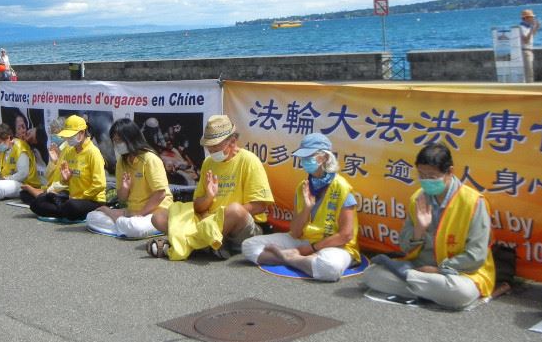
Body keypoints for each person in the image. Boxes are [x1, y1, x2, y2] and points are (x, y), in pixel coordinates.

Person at [362, 143, 495, 309]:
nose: (426, 181)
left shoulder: (474, 202)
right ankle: (428, 290)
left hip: (458, 274)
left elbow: (476, 256)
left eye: (432, 177)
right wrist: (419, 228)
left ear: (450, 172)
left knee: (461, 292)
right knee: (372, 275)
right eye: (421, 175)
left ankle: (420, 287)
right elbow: (404, 247)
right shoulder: (418, 198)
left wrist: (438, 270)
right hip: (419, 269)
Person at [149, 115, 273, 260]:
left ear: (232, 141)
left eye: (216, 146)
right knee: (159, 217)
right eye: (209, 146)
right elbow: (198, 207)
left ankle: (190, 244)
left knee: (235, 210)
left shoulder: (249, 160)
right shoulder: (209, 162)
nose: (211, 150)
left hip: (237, 227)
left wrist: (217, 219)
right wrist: (208, 196)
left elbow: (260, 205)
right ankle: (207, 244)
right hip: (207, 221)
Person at [241, 133, 359, 282]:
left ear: (324, 158)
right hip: (304, 240)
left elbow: (345, 235)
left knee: (329, 268)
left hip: (335, 246)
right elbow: (295, 232)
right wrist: (307, 208)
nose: (304, 161)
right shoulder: (303, 187)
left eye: (308, 156)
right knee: (249, 246)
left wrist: (311, 249)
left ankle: (291, 258)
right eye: (303, 157)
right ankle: (297, 259)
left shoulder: (342, 187)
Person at [86, 118, 172, 238]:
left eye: (120, 140)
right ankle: (121, 224)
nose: (117, 144)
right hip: (131, 212)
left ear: (131, 138)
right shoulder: (122, 161)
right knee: (92, 217)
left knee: (135, 227)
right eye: (115, 141)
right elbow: (122, 199)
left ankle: (118, 221)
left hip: (154, 212)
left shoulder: (150, 159)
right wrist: (125, 189)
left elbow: (160, 194)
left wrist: (140, 214)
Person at [28, 114, 106, 220]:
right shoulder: (70, 151)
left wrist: (80, 197)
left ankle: (63, 210)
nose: (68, 139)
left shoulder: (93, 153)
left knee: (71, 206)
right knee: (37, 203)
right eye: (67, 136)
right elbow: (64, 182)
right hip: (72, 198)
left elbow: (99, 185)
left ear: (82, 133)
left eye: (71, 136)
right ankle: (64, 211)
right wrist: (65, 179)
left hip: (92, 200)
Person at [19, 118, 70, 203]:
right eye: (52, 133)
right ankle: (43, 196)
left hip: (63, 190)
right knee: (24, 194)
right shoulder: (55, 148)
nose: (54, 136)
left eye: (56, 133)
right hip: (52, 188)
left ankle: (43, 196)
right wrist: (54, 162)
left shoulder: (70, 149)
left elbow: (67, 181)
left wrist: (50, 190)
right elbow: (48, 176)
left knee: (51, 199)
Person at [519, 9, 540, 82]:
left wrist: (536, 28)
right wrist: (532, 28)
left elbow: (531, 36)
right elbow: (526, 40)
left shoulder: (527, 27)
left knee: (530, 72)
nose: (533, 18)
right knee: (529, 73)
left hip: (529, 51)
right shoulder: (521, 27)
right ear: (526, 18)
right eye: (531, 17)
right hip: (525, 51)